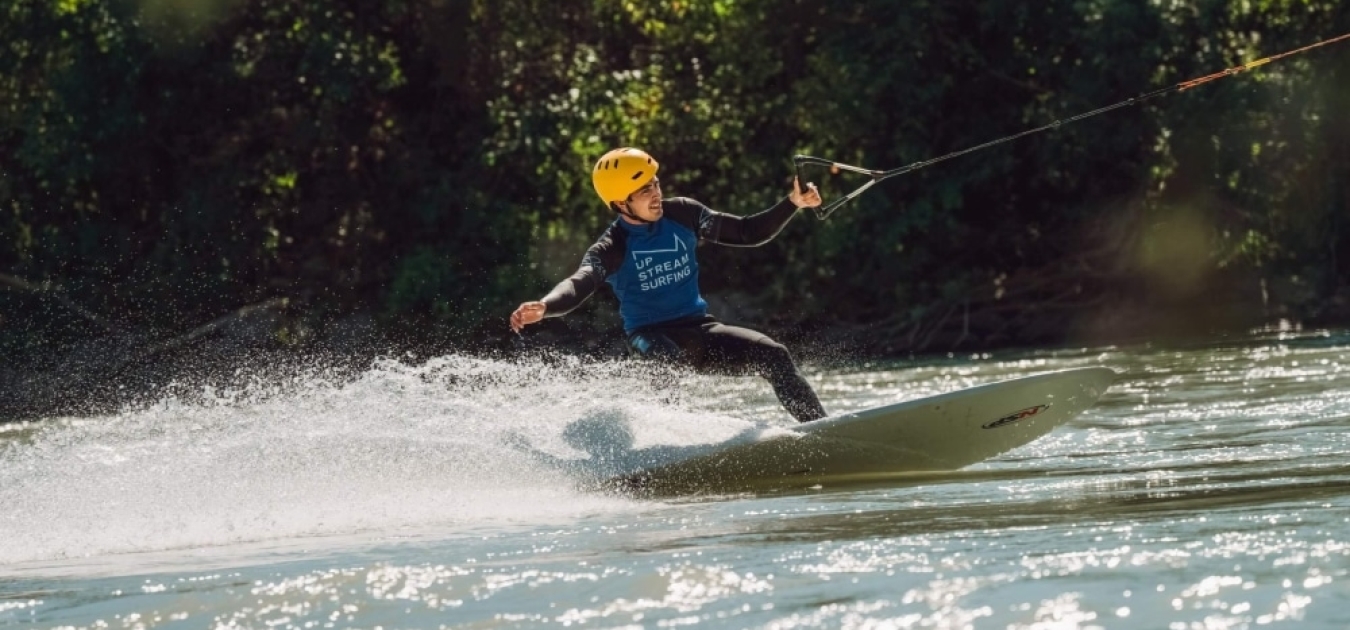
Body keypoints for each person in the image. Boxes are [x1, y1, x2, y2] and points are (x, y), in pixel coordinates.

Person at [509, 147, 828, 422]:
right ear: (621, 204)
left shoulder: (684, 214)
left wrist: (792, 203)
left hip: (700, 329)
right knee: (667, 361)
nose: (656, 194)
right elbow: (579, 283)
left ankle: (822, 432)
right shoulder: (613, 246)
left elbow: (746, 232)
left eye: (655, 184)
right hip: (649, 339)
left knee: (773, 354)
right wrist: (547, 305)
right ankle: (671, 445)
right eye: (644, 191)